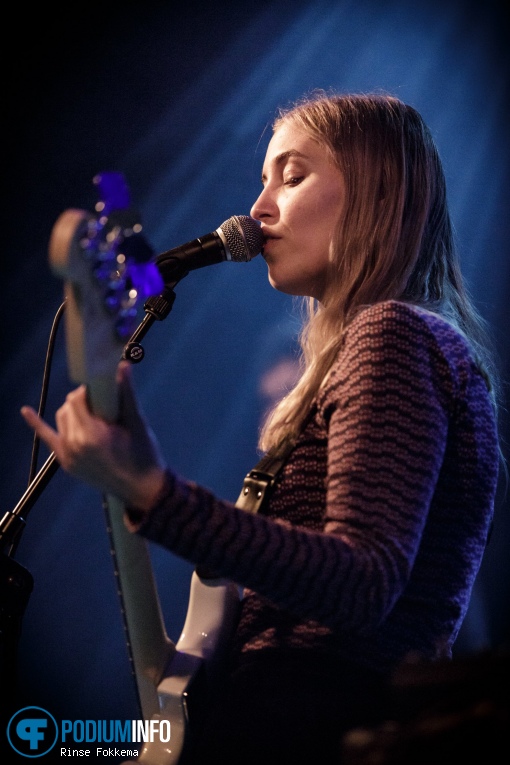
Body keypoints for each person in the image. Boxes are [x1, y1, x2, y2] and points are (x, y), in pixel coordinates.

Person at [21, 92, 501, 763]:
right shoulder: (382, 349)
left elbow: (362, 581)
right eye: (264, 178)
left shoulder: (394, 334)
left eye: (293, 175)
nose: (258, 209)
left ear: (375, 189)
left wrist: (157, 494)